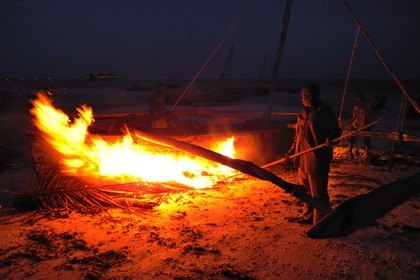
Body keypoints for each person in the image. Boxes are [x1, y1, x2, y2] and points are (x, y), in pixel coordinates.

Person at [285, 84, 342, 225]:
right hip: (302, 159)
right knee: (305, 190)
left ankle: (321, 223)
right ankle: (307, 217)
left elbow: (337, 132)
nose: (301, 99)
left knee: (318, 194)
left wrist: (331, 138)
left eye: (303, 96)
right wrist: (292, 151)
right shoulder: (303, 113)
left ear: (310, 97)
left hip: (316, 159)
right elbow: (297, 136)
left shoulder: (324, 113)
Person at [348, 90, 375, 156]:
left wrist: (350, 122)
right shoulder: (368, 104)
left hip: (359, 124)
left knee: (352, 131)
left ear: (358, 98)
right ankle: (367, 150)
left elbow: (355, 116)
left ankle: (350, 149)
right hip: (367, 124)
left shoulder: (356, 106)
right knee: (367, 135)